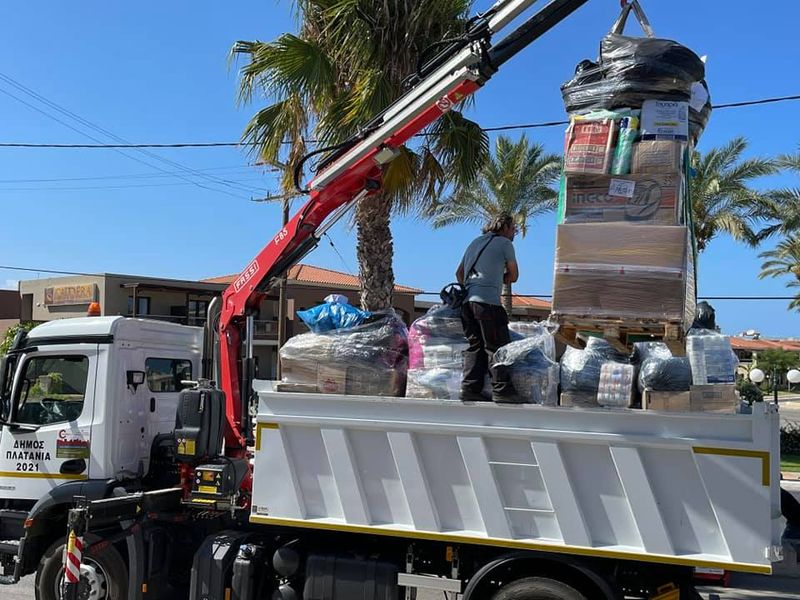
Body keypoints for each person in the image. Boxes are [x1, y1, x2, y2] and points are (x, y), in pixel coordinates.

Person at [455, 213, 520, 403]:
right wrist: (497, 280)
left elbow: (459, 273)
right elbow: (514, 275)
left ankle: (469, 389)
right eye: (513, 227)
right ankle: (502, 391)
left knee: (475, 347)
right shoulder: (505, 244)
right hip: (488, 303)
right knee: (497, 347)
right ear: (505, 227)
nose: (514, 231)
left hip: (467, 304)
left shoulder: (474, 243)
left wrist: (473, 286)